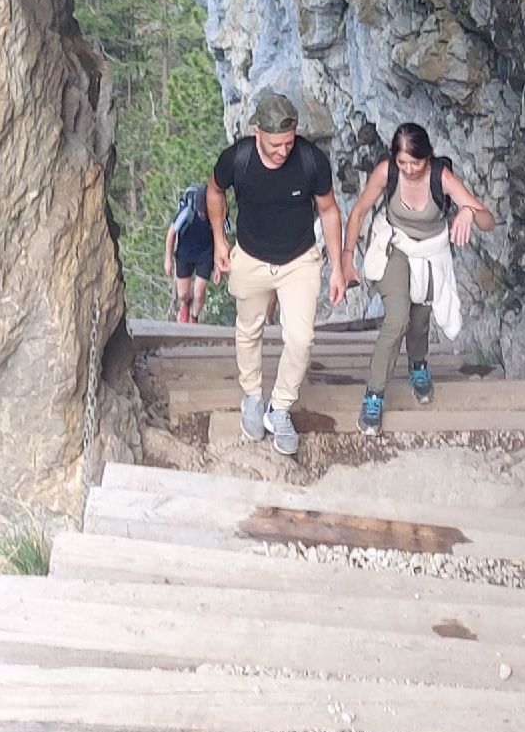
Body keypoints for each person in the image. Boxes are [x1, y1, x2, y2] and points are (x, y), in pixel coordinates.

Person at [206, 90, 346, 458]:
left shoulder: (310, 161)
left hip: (299, 260)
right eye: (275, 145)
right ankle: (252, 396)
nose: (283, 151)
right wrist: (220, 240)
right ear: (257, 133)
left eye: (288, 142)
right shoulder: (238, 159)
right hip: (251, 256)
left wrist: (337, 267)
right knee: (248, 329)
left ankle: (279, 407)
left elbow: (329, 210)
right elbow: (214, 190)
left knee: (301, 338)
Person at [342, 121, 495, 433]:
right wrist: (347, 257)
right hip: (395, 246)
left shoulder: (442, 177)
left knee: (420, 319)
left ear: (428, 157)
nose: (409, 170)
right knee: (397, 318)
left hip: (430, 252)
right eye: (403, 163)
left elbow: (488, 221)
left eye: (416, 163)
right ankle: (374, 395)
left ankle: (418, 364)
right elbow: (358, 212)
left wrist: (468, 210)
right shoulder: (387, 172)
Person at [165, 181, 215, 323]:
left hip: (206, 253)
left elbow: (222, 237)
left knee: (199, 293)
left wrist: (219, 265)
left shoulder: (215, 212)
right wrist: (168, 259)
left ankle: (194, 317)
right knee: (183, 294)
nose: (202, 214)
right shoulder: (187, 211)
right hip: (185, 252)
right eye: (200, 212)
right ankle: (185, 305)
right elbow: (171, 233)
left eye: (204, 212)